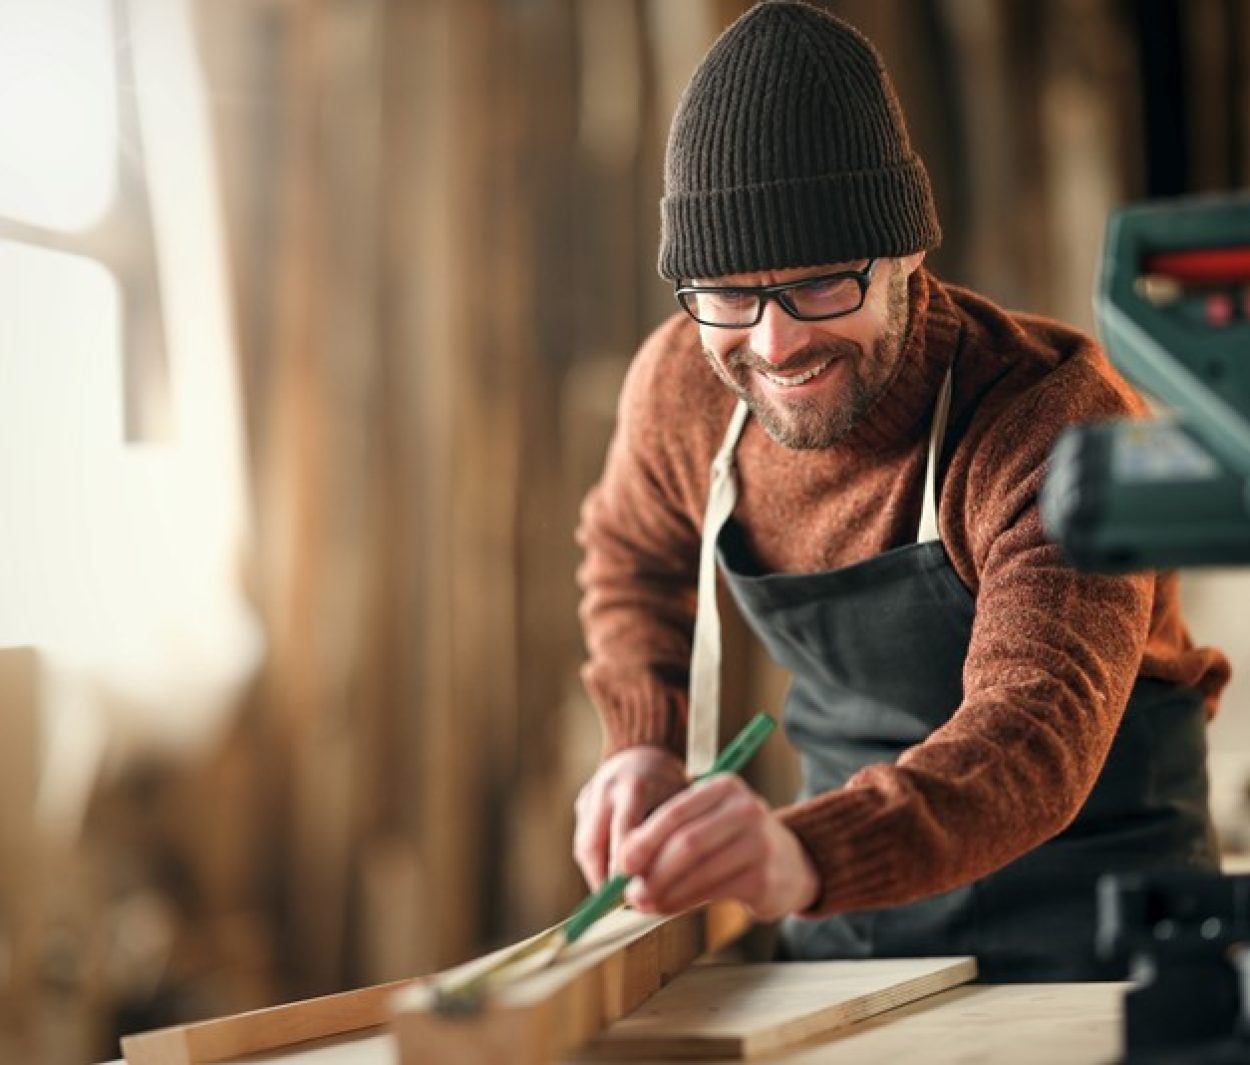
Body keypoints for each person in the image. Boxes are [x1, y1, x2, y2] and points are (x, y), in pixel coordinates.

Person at [571, 0, 1231, 981]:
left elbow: (1032, 733)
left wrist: (803, 851)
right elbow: (629, 557)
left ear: (907, 255)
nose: (774, 341)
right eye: (728, 296)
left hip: (1095, 916)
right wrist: (643, 743)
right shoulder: (679, 387)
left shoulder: (1049, 420)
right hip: (849, 925)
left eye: (822, 285)